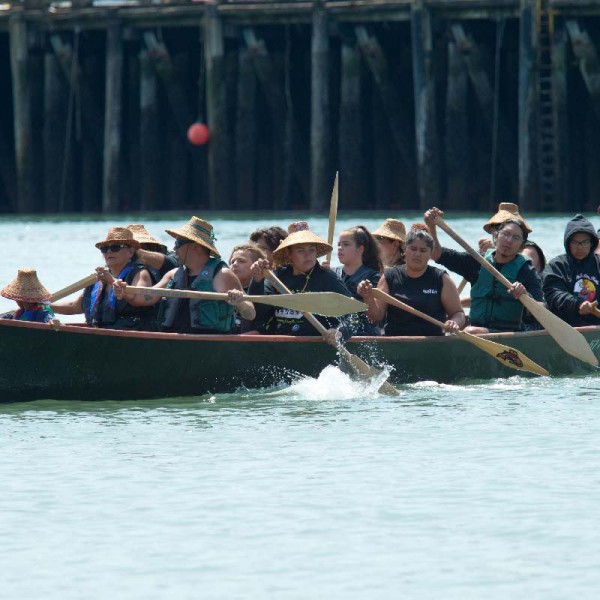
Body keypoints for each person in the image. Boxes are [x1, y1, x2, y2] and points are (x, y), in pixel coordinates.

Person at [114, 216, 255, 334]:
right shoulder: (173, 274)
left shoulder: (222, 275)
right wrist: (124, 291)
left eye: (178, 243)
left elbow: (250, 314)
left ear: (195, 246)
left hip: (208, 344)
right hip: (173, 343)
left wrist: (240, 301)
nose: (174, 248)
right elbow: (145, 298)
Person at [424, 207, 544, 334]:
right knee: (445, 324)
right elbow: (436, 253)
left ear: (521, 245)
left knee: (471, 331)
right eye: (506, 234)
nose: (509, 241)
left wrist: (525, 296)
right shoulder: (477, 260)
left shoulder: (526, 269)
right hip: (478, 326)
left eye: (516, 238)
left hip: (509, 332)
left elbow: (541, 308)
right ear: (496, 235)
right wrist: (431, 227)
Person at [247, 221, 352, 343]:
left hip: (315, 344)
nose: (308, 255)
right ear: (289, 254)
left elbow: (352, 316)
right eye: (301, 251)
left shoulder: (328, 277)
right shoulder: (278, 276)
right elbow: (259, 311)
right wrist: (257, 281)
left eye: (311, 250)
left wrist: (339, 332)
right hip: (281, 344)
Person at [357, 225, 465, 336]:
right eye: (413, 249)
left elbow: (458, 313)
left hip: (432, 342)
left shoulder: (441, 278)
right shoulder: (389, 276)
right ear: (404, 249)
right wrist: (368, 298)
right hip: (396, 341)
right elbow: (374, 318)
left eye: (423, 250)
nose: (417, 254)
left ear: (430, 253)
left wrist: (454, 322)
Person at [51, 227, 158, 331]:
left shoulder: (140, 273)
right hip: (103, 334)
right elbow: (75, 306)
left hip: (131, 333)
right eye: (105, 249)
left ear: (130, 252)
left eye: (115, 247)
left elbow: (139, 298)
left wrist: (112, 281)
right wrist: (45, 305)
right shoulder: (99, 277)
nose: (109, 252)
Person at [543, 214, 600, 326]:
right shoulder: (557, 266)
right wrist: (577, 304)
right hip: (567, 328)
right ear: (568, 243)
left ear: (592, 243)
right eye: (575, 242)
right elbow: (554, 293)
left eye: (584, 242)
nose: (580, 247)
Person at [334, 225, 382, 336]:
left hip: (364, 333)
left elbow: (375, 316)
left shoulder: (374, 276)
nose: (340, 248)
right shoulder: (332, 274)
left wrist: (366, 295)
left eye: (346, 244)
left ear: (360, 249)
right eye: (339, 245)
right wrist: (324, 275)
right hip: (336, 332)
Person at [228, 243, 267, 334]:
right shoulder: (224, 288)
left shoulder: (266, 289)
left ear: (256, 265)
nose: (235, 264)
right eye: (232, 262)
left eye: (241, 261)